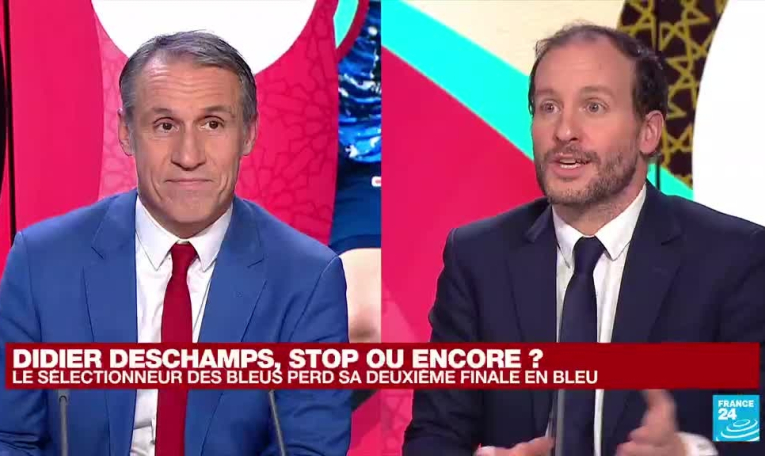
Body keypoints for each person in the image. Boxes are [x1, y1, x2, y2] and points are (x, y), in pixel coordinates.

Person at [403, 24, 765, 456]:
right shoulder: (478, 258)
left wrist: (689, 452)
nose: (564, 131)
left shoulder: (731, 260)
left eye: (593, 106)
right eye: (548, 106)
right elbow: (436, 435)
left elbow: (749, 431)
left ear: (648, 132)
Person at [0, 31, 351, 455]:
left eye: (213, 124)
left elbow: (309, 447)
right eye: (165, 125)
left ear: (248, 134)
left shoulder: (307, 279)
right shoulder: (42, 263)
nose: (189, 155)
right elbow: (11, 437)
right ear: (126, 132)